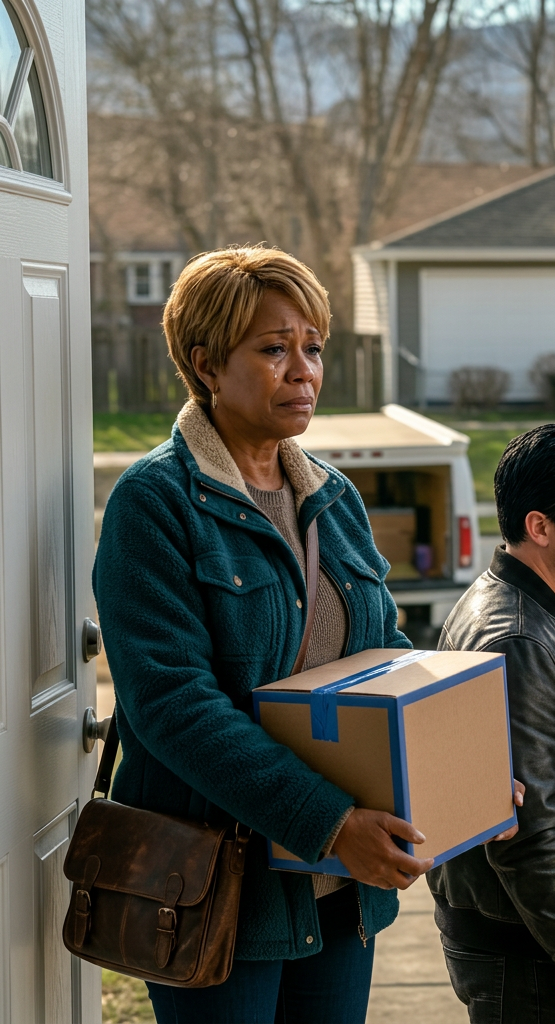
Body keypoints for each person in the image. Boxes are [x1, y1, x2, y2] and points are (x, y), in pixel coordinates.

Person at [95, 246, 438, 1023]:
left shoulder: (333, 495)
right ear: (207, 364)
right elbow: (172, 704)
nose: (303, 370)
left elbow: (385, 658)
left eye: (312, 347)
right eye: (274, 348)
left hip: (340, 887)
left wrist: (463, 760)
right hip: (218, 886)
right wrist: (326, 822)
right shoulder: (155, 505)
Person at [429, 424, 555, 1023]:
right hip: (528, 953)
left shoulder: (521, 604)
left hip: (517, 936)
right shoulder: (520, 637)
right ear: (540, 526)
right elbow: (524, 828)